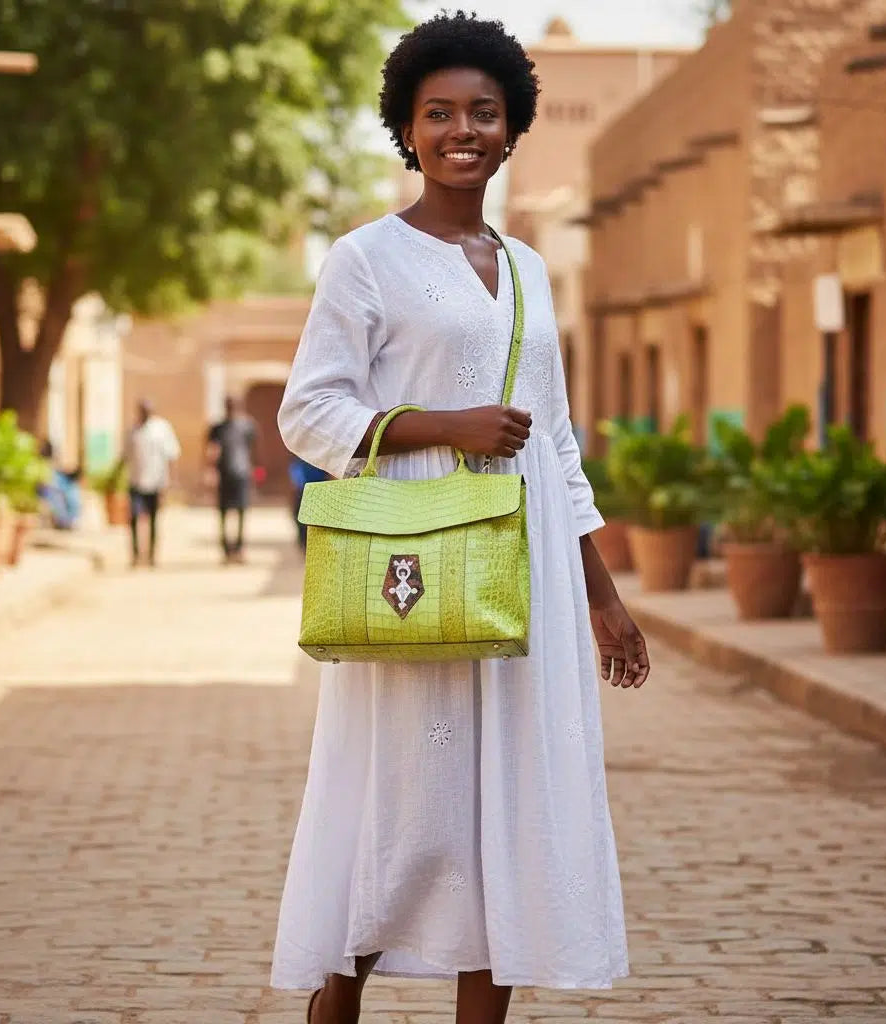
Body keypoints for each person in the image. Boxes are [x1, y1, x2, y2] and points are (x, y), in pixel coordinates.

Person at [271, 13, 651, 1024]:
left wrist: (604, 597)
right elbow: (307, 410)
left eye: (483, 111)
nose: (462, 130)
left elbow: (558, 444)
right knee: (402, 813)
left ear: (513, 125)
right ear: (407, 127)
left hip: (524, 575)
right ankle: (331, 1004)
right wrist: (444, 425)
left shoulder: (525, 268)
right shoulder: (365, 259)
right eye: (438, 113)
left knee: (510, 819)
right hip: (416, 567)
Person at [122, 399, 180, 567]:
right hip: (136, 481)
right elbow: (125, 456)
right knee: (133, 517)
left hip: (156, 482)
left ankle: (152, 554)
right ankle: (135, 554)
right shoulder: (133, 431)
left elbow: (172, 455)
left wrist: (170, 482)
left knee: (154, 520)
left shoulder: (162, 430)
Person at [205, 396, 258, 563]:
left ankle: (240, 548)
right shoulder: (217, 428)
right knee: (223, 512)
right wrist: (209, 472)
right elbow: (210, 451)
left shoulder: (248, 426)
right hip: (224, 474)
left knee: (242, 511)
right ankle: (226, 550)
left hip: (242, 474)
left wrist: (256, 471)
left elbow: (254, 451)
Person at [287, 453, 329, 550]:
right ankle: (304, 545)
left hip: (319, 489)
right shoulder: (298, 459)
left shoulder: (321, 456)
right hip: (303, 490)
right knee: (301, 520)